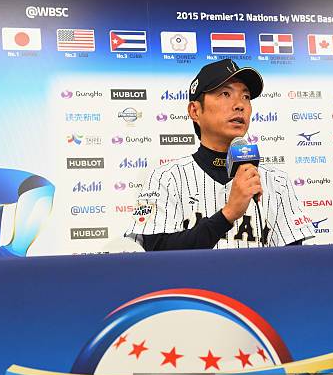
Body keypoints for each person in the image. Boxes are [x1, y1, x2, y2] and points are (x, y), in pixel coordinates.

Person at [125, 59, 314, 250]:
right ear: (195, 111)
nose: (239, 105)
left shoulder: (277, 182)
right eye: (225, 94)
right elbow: (157, 251)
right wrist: (228, 215)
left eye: (246, 97)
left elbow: (294, 262)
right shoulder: (166, 178)